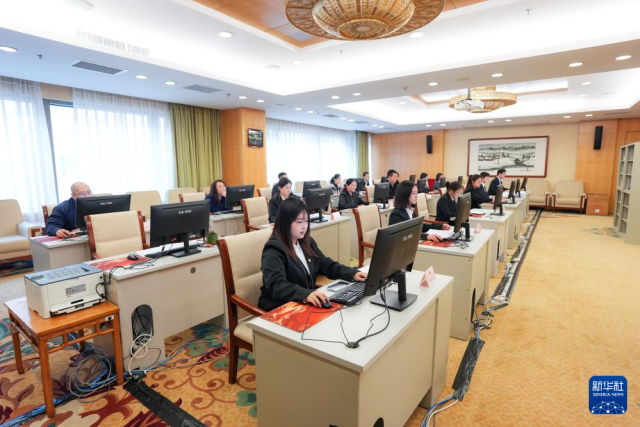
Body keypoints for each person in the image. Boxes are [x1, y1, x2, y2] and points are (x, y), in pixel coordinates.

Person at [259, 198, 368, 311]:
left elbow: (326, 265)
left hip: (302, 303)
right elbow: (276, 284)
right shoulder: (273, 249)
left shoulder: (307, 242)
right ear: (285, 222)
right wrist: (305, 294)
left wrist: (352, 273)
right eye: (299, 221)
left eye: (306, 221)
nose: (304, 226)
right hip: (279, 307)